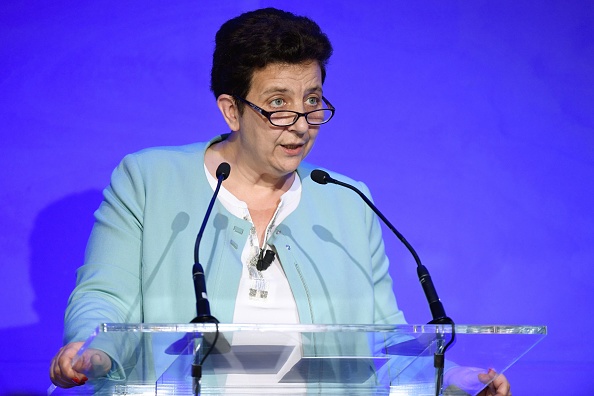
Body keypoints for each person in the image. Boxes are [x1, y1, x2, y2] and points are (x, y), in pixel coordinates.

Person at [50, 7, 511, 395]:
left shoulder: (347, 200)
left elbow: (382, 337)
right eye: (278, 103)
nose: (301, 123)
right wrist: (89, 347)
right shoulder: (149, 179)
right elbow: (104, 296)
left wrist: (456, 379)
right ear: (232, 109)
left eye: (312, 100)